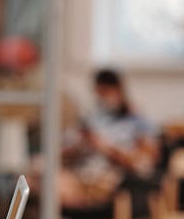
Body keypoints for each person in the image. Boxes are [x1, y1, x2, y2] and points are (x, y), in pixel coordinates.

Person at [58, 69, 160, 208]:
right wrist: (82, 145)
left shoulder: (138, 123)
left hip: (109, 180)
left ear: (118, 90)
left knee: (57, 191)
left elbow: (144, 165)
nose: (102, 98)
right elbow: (64, 153)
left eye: (105, 92)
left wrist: (107, 149)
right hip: (81, 174)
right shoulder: (93, 119)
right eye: (99, 93)